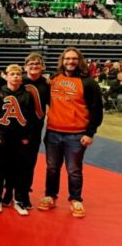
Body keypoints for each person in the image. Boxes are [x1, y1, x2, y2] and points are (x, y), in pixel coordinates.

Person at [38, 47, 103, 218]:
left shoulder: (89, 83)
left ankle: (75, 199)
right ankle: (50, 196)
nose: (70, 61)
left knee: (74, 169)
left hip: (76, 134)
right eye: (67, 58)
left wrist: (90, 133)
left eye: (74, 58)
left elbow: (97, 110)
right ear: (62, 60)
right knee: (52, 168)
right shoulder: (53, 78)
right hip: (52, 132)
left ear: (79, 60)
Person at [0, 64, 36, 216]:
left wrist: (27, 137)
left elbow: (31, 118)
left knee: (19, 170)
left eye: (18, 74)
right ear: (6, 76)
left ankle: (18, 199)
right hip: (2, 137)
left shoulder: (27, 95)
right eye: (12, 74)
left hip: (20, 139)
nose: (16, 76)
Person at [22, 52, 50, 209]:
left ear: (42, 67)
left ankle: (24, 192)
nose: (34, 67)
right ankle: (8, 191)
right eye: (31, 64)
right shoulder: (18, 80)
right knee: (12, 161)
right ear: (25, 66)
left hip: (35, 130)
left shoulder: (47, 84)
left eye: (37, 64)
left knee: (29, 163)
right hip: (16, 129)